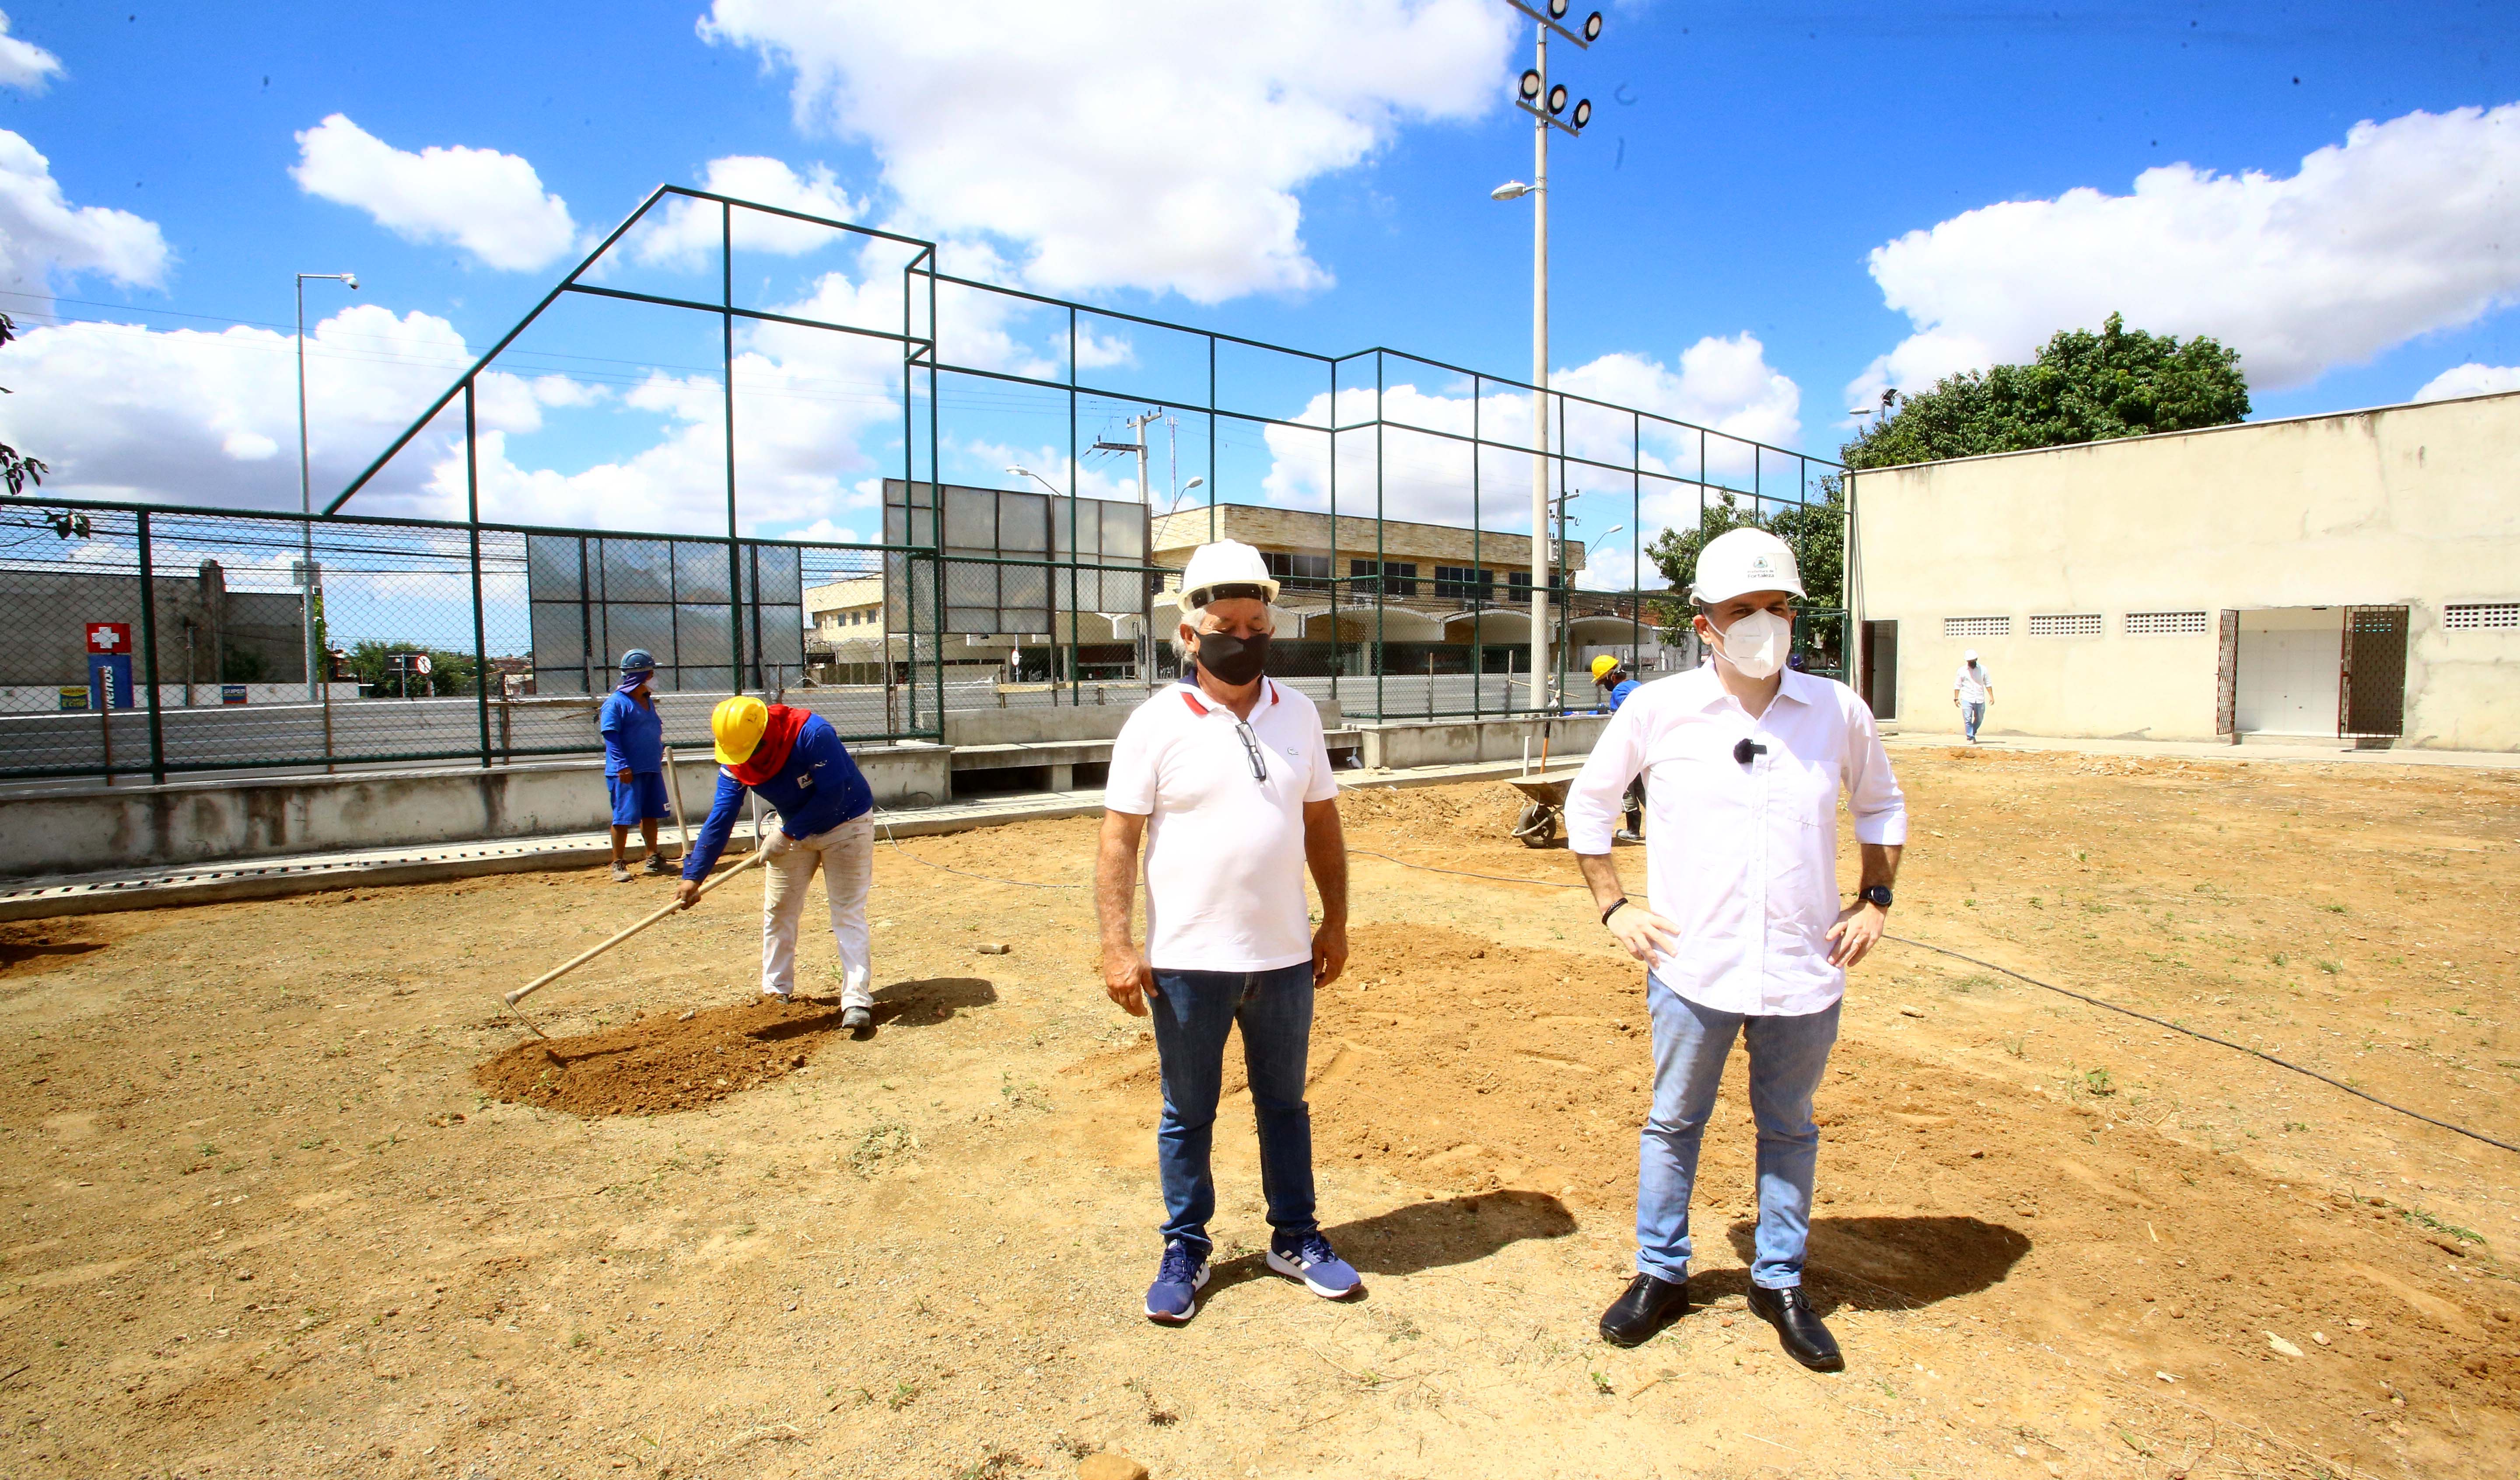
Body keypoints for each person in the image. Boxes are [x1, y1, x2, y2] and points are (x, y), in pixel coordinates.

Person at [1563, 526, 1908, 1372]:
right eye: (1742, 608)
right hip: (1694, 967)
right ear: (1703, 622)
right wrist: (1614, 908)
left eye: (1777, 605)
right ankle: (1661, 1272)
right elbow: (1587, 805)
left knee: (1789, 1126)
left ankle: (1780, 1278)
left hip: (1803, 966)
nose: (1764, 621)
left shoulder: (1837, 710)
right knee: (1674, 1121)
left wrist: (1875, 899)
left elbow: (1884, 806)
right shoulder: (1657, 708)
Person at [1096, 539, 1360, 1326]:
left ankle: (1295, 1236)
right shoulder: (1153, 724)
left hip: (1283, 957)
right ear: (1188, 633)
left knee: (1286, 1104)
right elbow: (1118, 839)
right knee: (1189, 1112)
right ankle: (1187, 1244)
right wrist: (1118, 944)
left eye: (1256, 623)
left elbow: (1322, 822)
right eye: (1225, 623)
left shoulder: (1301, 713)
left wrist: (1337, 919)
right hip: (1186, 962)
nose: (1242, 637)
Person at [674, 695, 878, 1031]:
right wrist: (694, 875)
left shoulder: (811, 734)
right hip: (793, 827)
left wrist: (786, 833)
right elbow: (721, 816)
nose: (747, 760)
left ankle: (856, 1000)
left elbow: (834, 794)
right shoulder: (737, 757)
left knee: (847, 912)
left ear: (765, 734)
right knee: (779, 910)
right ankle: (775, 993)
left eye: (751, 752)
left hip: (847, 824)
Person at [599, 649, 672, 883]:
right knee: (623, 818)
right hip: (627, 771)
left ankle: (653, 858)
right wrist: (622, 765)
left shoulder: (647, 702)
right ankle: (618, 863)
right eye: (652, 673)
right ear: (642, 675)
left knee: (651, 814)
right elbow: (611, 736)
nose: (654, 678)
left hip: (650, 767)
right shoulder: (616, 704)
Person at [1590, 655, 1646, 841]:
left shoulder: (1620, 691)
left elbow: (1627, 721)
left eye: (1603, 681)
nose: (1604, 686)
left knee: (1628, 787)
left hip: (1631, 746)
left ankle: (1633, 831)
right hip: (1646, 745)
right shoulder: (1636, 685)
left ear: (1612, 677)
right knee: (1643, 787)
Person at [1953, 649, 1993, 743]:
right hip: (1967, 698)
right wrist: (1956, 698)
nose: (1971, 663)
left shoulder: (1983, 670)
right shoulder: (1962, 671)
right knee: (1967, 719)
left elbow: (1988, 683)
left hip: (1979, 698)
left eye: (1973, 661)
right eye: (1969, 661)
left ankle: (1973, 732)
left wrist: (1992, 697)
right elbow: (1957, 685)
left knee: (1980, 718)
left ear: (1976, 659)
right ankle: (1970, 737)